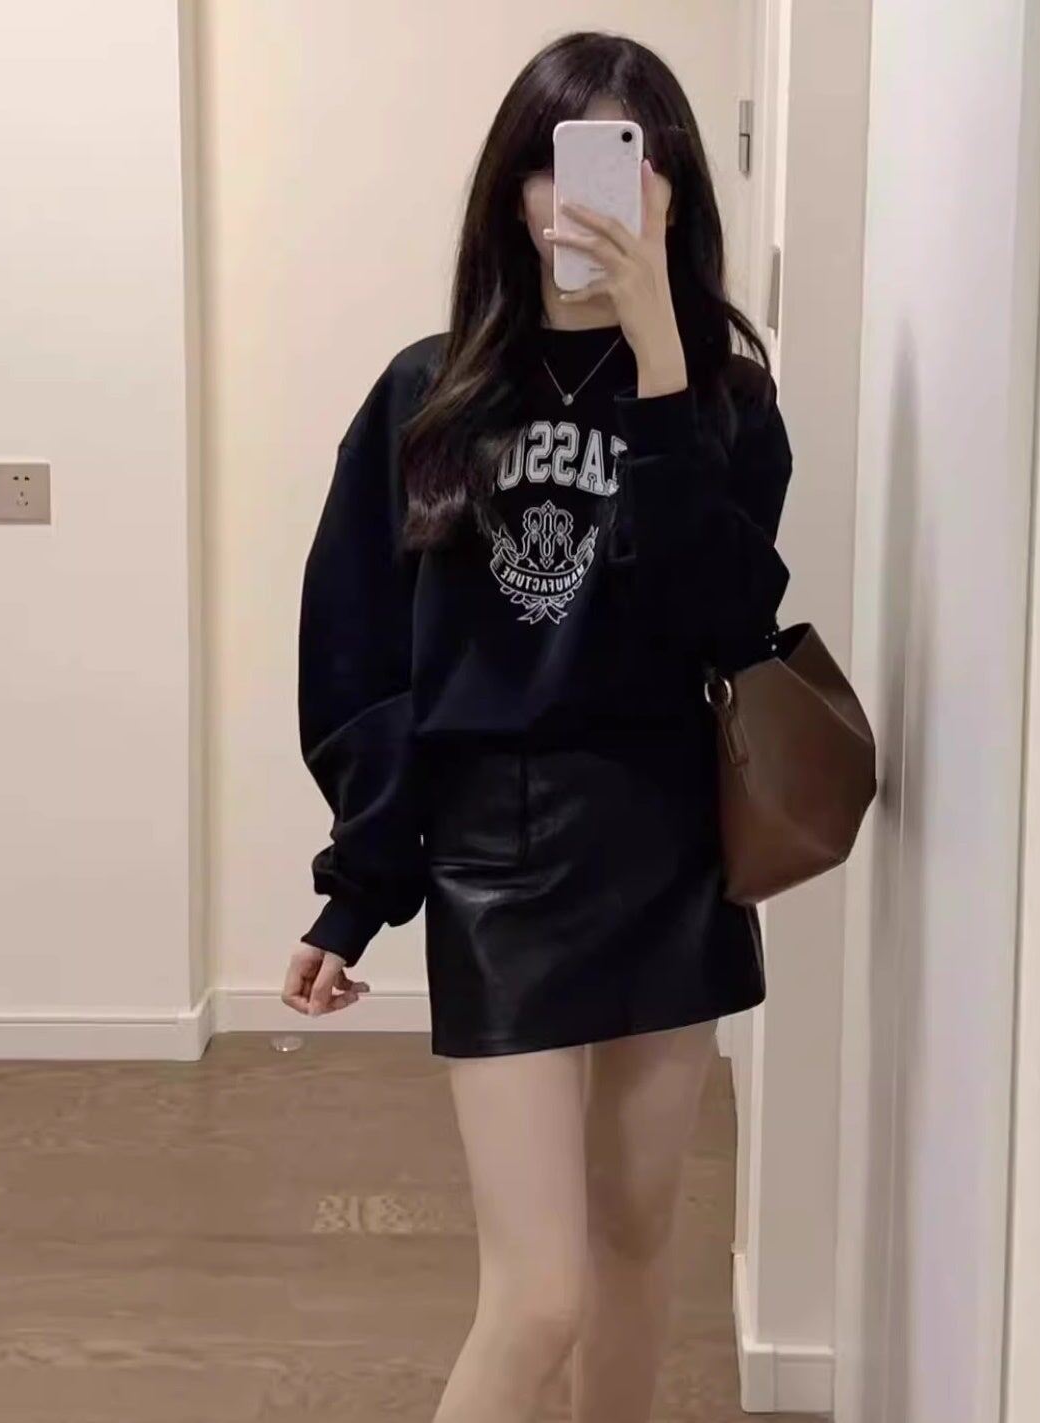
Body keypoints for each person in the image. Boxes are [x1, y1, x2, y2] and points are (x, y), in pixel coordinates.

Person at [280, 30, 794, 1423]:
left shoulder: (727, 401)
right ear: (512, 190)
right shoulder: (427, 395)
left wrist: (665, 364)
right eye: (559, 166)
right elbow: (362, 669)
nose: (585, 203)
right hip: (494, 864)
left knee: (636, 1251)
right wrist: (359, 891)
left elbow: (728, 621)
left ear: (672, 194)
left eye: (629, 166)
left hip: (670, 846)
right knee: (540, 1293)